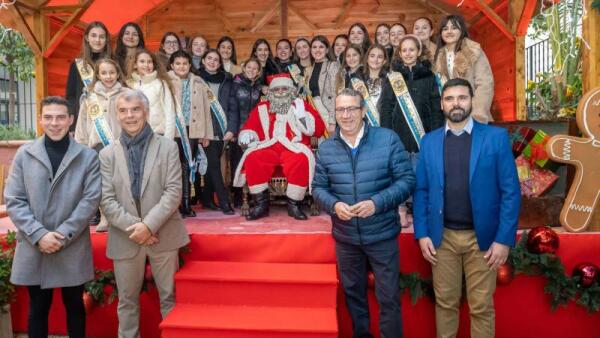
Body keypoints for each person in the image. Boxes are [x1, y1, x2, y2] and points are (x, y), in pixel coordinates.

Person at [413, 78, 520, 338]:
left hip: (482, 241)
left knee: (481, 307)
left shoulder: (495, 138)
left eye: (462, 97)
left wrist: (504, 240)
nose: (456, 103)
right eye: (449, 99)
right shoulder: (429, 142)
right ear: (442, 104)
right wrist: (423, 233)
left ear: (471, 100)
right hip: (443, 238)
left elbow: (511, 191)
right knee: (446, 304)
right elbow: (422, 190)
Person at [312, 88, 415, 338]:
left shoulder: (387, 139)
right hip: (346, 239)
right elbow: (318, 188)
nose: (345, 115)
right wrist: (334, 206)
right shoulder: (326, 148)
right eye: (340, 110)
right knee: (354, 298)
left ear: (363, 111)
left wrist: (377, 203)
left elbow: (407, 180)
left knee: (388, 298)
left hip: (381, 235)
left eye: (351, 109)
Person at [5, 96, 101, 338]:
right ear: (40, 120)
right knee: (38, 308)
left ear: (70, 120)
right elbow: (14, 200)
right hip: (33, 244)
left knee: (75, 307)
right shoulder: (24, 154)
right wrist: (39, 235)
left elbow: (90, 201)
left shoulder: (87, 156)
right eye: (48, 117)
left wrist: (61, 234)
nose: (54, 123)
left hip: (71, 243)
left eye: (60, 117)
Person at [100, 88, 190, 338]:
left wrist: (148, 226)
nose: (130, 116)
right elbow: (106, 200)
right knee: (127, 302)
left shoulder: (168, 147)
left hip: (163, 235)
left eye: (135, 109)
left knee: (169, 298)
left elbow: (173, 192)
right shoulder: (106, 154)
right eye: (123, 111)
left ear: (146, 112)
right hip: (124, 237)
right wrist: (137, 229)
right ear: (117, 115)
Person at [233, 74, 325, 221]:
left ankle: (294, 205)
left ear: (291, 91)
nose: (281, 92)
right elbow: (251, 126)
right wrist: (247, 134)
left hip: (293, 146)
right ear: (271, 92)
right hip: (269, 145)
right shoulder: (262, 107)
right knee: (253, 157)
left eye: (285, 88)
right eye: (277, 89)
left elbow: (319, 129)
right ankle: (261, 205)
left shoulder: (300, 105)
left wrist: (302, 116)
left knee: (301, 159)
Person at [75, 58, 126, 231]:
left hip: (121, 144)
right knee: (102, 183)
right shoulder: (89, 96)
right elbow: (82, 123)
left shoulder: (126, 93)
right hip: (97, 145)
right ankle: (105, 217)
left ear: (118, 73)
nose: (108, 76)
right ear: (97, 75)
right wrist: (81, 145)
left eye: (112, 72)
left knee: (120, 182)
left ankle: (120, 217)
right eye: (103, 73)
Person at [168, 50, 214, 217]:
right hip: (173, 130)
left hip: (193, 129)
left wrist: (206, 133)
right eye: (178, 63)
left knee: (189, 165)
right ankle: (175, 205)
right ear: (172, 65)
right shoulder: (166, 81)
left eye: (185, 63)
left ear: (190, 65)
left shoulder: (198, 82)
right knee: (174, 168)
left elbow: (206, 109)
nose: (182, 66)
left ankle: (187, 204)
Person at [433, 14, 494, 123]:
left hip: (472, 115)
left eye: (454, 28)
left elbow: (485, 84)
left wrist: (477, 114)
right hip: (449, 117)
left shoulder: (474, 51)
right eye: (445, 29)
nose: (449, 31)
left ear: (462, 31)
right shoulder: (438, 57)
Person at [196, 49, 235, 215]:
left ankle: (207, 200)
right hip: (204, 129)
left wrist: (231, 129)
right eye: (209, 58)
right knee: (214, 165)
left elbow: (233, 107)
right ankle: (224, 201)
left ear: (220, 64)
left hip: (222, 128)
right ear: (203, 61)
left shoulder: (227, 79)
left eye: (216, 60)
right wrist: (200, 131)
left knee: (213, 165)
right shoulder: (195, 79)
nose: (212, 62)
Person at [65, 21, 111, 133]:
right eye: (93, 35)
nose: (98, 40)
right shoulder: (77, 64)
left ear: (106, 39)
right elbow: (71, 97)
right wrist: (72, 126)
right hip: (84, 120)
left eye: (102, 37)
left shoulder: (114, 62)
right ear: (86, 38)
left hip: (109, 120)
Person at [228, 58, 263, 207]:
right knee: (237, 164)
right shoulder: (235, 84)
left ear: (259, 71)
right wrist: (232, 130)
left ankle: (251, 196)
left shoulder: (258, 87)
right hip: (238, 131)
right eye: (249, 67)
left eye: (255, 68)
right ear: (244, 67)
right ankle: (237, 197)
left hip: (253, 133)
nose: (251, 70)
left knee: (252, 164)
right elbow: (231, 109)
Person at [126, 48, 176, 139]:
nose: (146, 65)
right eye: (142, 61)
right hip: (137, 137)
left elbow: (170, 113)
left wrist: (168, 140)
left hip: (157, 135)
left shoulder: (160, 83)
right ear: (135, 65)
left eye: (149, 62)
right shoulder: (131, 86)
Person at [306, 35, 340, 134]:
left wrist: (332, 121)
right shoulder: (309, 69)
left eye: (321, 47)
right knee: (316, 144)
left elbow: (335, 94)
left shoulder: (332, 65)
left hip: (327, 112)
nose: (317, 50)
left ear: (327, 50)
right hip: (313, 113)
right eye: (314, 47)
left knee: (330, 145)